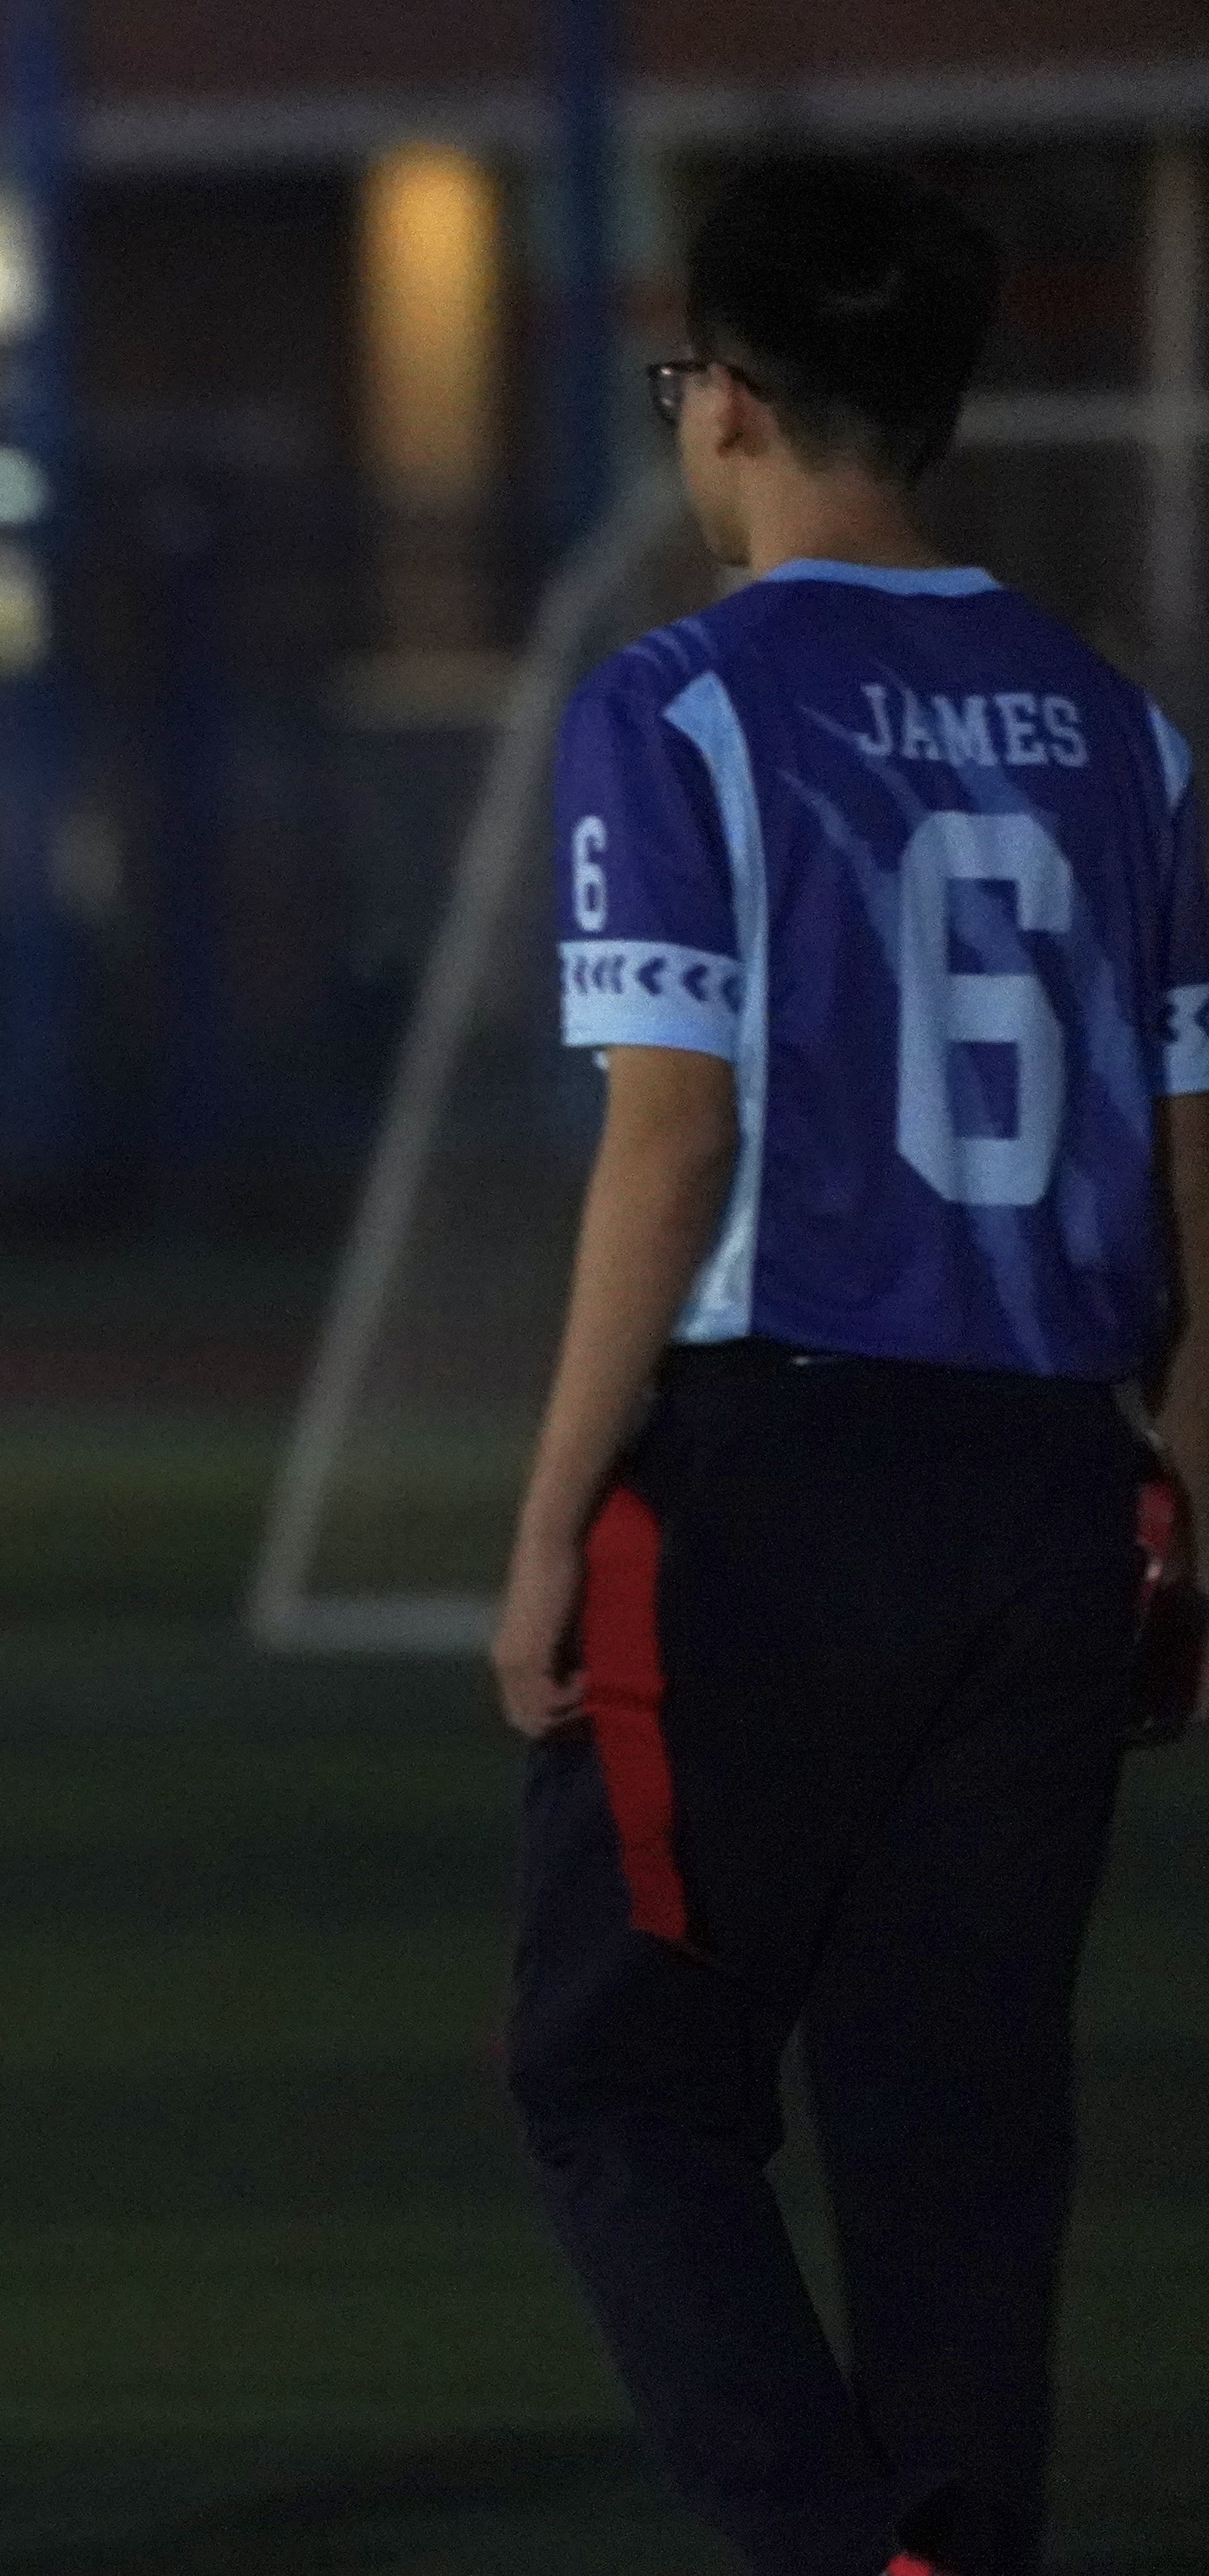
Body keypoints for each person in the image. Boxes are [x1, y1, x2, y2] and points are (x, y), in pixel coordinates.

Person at [491, 159, 1204, 2576]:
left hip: (771, 1475)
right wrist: (1180, 1494)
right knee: (957, 2124)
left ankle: (831, 2544)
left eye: (678, 376)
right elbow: (1204, 1166)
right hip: (1045, 1489)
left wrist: (544, 1517)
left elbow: (670, 1143)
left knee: (618, 2078)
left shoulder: (676, 702)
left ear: (735, 399)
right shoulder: (1126, 733)